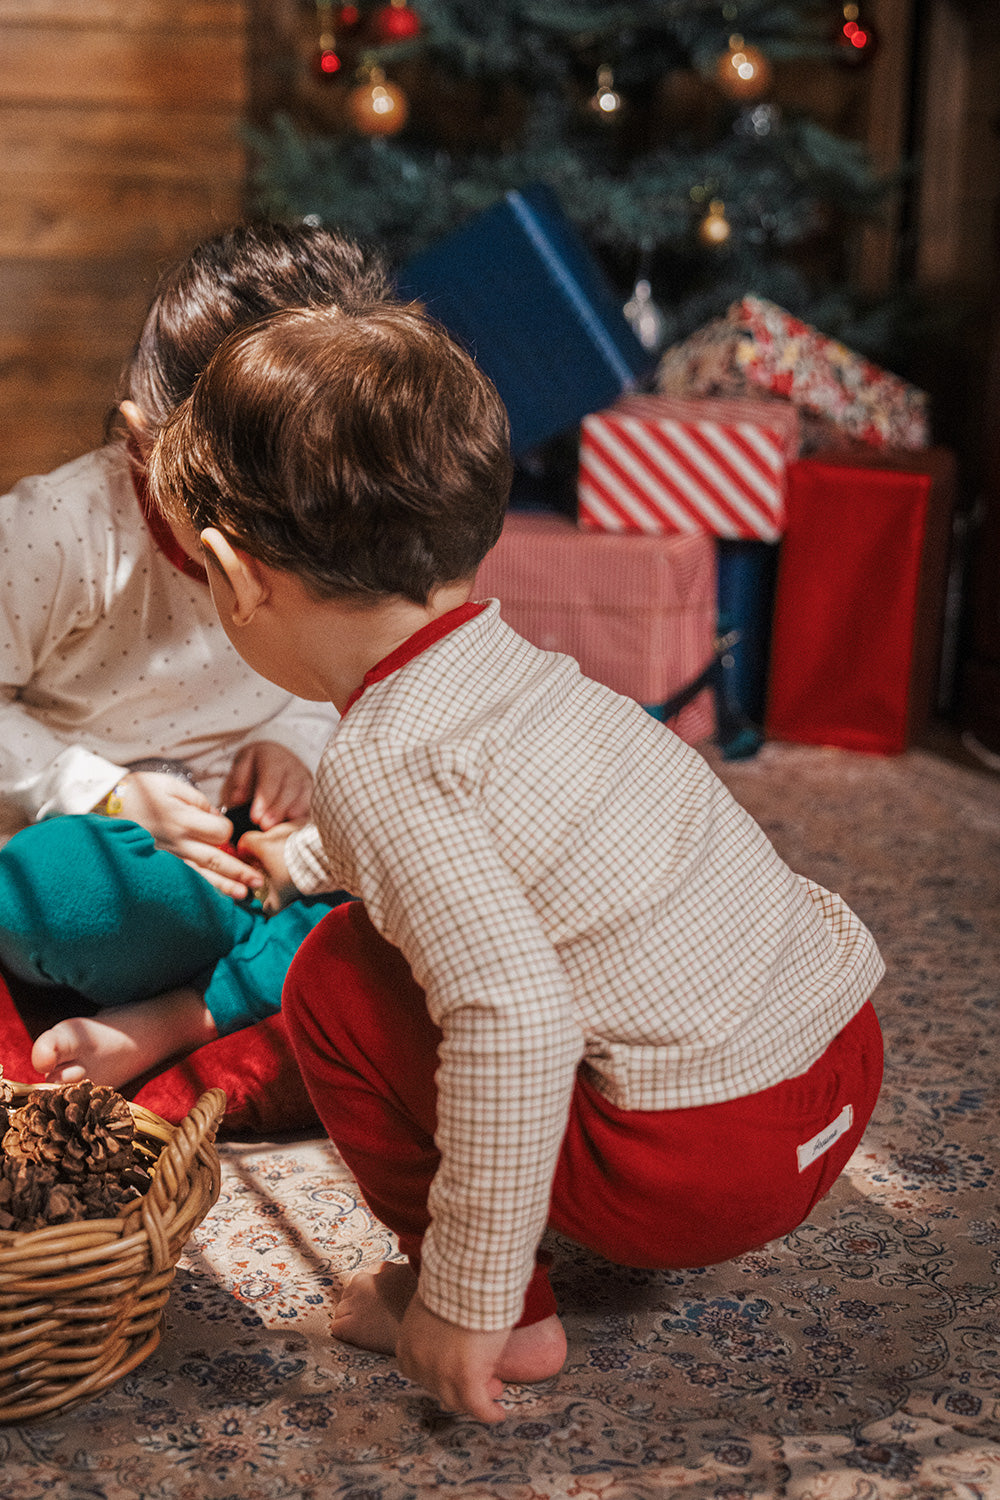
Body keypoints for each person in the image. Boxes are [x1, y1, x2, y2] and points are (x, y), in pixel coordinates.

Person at [146, 300, 886, 1426]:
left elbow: (517, 1020)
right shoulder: (513, 673)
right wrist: (296, 860)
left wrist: (467, 1297)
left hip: (702, 1168)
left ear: (233, 576)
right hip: (834, 1069)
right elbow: (448, 835)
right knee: (395, 927)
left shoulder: (385, 763)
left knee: (337, 981)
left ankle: (514, 1312)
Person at [0, 221, 389, 1088]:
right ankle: (271, 966)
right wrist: (104, 790)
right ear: (144, 441)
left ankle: (198, 998)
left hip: (274, 847)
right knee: (48, 891)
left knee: (437, 857)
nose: (257, 554)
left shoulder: (319, 508)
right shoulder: (60, 529)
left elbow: (339, 676)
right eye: (230, 509)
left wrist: (295, 741)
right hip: (125, 852)